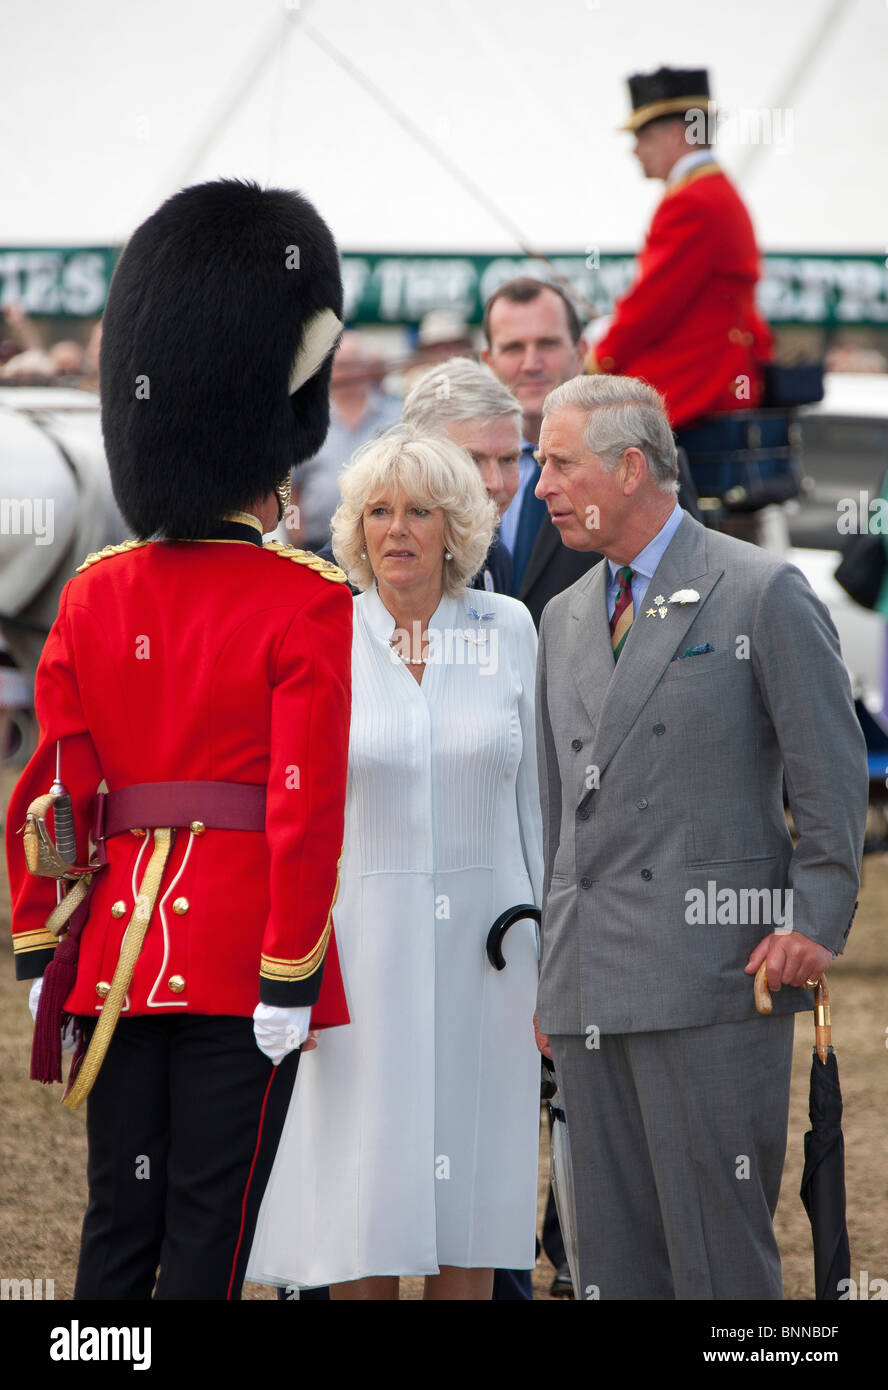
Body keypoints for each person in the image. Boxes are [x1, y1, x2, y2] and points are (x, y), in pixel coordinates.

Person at [5, 178, 353, 1300]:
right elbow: (306, 807)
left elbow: (55, 792)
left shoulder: (98, 593)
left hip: (115, 954)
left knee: (118, 1224)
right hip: (246, 957)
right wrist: (292, 969)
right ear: (281, 446)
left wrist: (40, 943)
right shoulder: (307, 600)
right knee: (211, 1232)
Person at [532, 373, 868, 1299]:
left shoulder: (761, 591)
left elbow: (830, 779)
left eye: (559, 463)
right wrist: (550, 979)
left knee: (720, 1268)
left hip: (715, 982)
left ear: (631, 467)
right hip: (588, 989)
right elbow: (560, 816)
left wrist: (814, 921)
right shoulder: (562, 617)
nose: (540, 485)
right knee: (607, 1264)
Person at [248, 428, 543, 1300]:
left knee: (473, 1215)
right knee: (363, 1214)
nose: (397, 529)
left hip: (489, 963)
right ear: (355, 526)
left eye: (419, 510)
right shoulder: (322, 629)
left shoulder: (509, 628)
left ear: (455, 526)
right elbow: (288, 810)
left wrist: (550, 957)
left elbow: (534, 804)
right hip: (359, 961)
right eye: (378, 510)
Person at [482, 277, 701, 628]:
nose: (531, 363)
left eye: (547, 344)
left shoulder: (643, 456)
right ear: (488, 360)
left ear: (581, 352)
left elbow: (684, 592)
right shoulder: (456, 468)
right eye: (513, 348)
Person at [589, 66, 773, 430]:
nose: (635, 151)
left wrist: (600, 358)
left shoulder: (691, 202)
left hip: (692, 387)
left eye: (644, 137)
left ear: (676, 134)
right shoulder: (719, 193)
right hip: (720, 381)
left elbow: (653, 302)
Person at [401, 355, 521, 594]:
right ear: (415, 457)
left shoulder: (496, 559)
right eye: (472, 459)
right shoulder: (348, 577)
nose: (495, 483)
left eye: (508, 460)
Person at [283, 330, 401, 552]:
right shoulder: (306, 422)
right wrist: (296, 536)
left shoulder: (395, 418)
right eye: (340, 365)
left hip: (379, 544)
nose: (348, 374)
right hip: (317, 546)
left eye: (353, 365)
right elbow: (292, 489)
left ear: (366, 369)